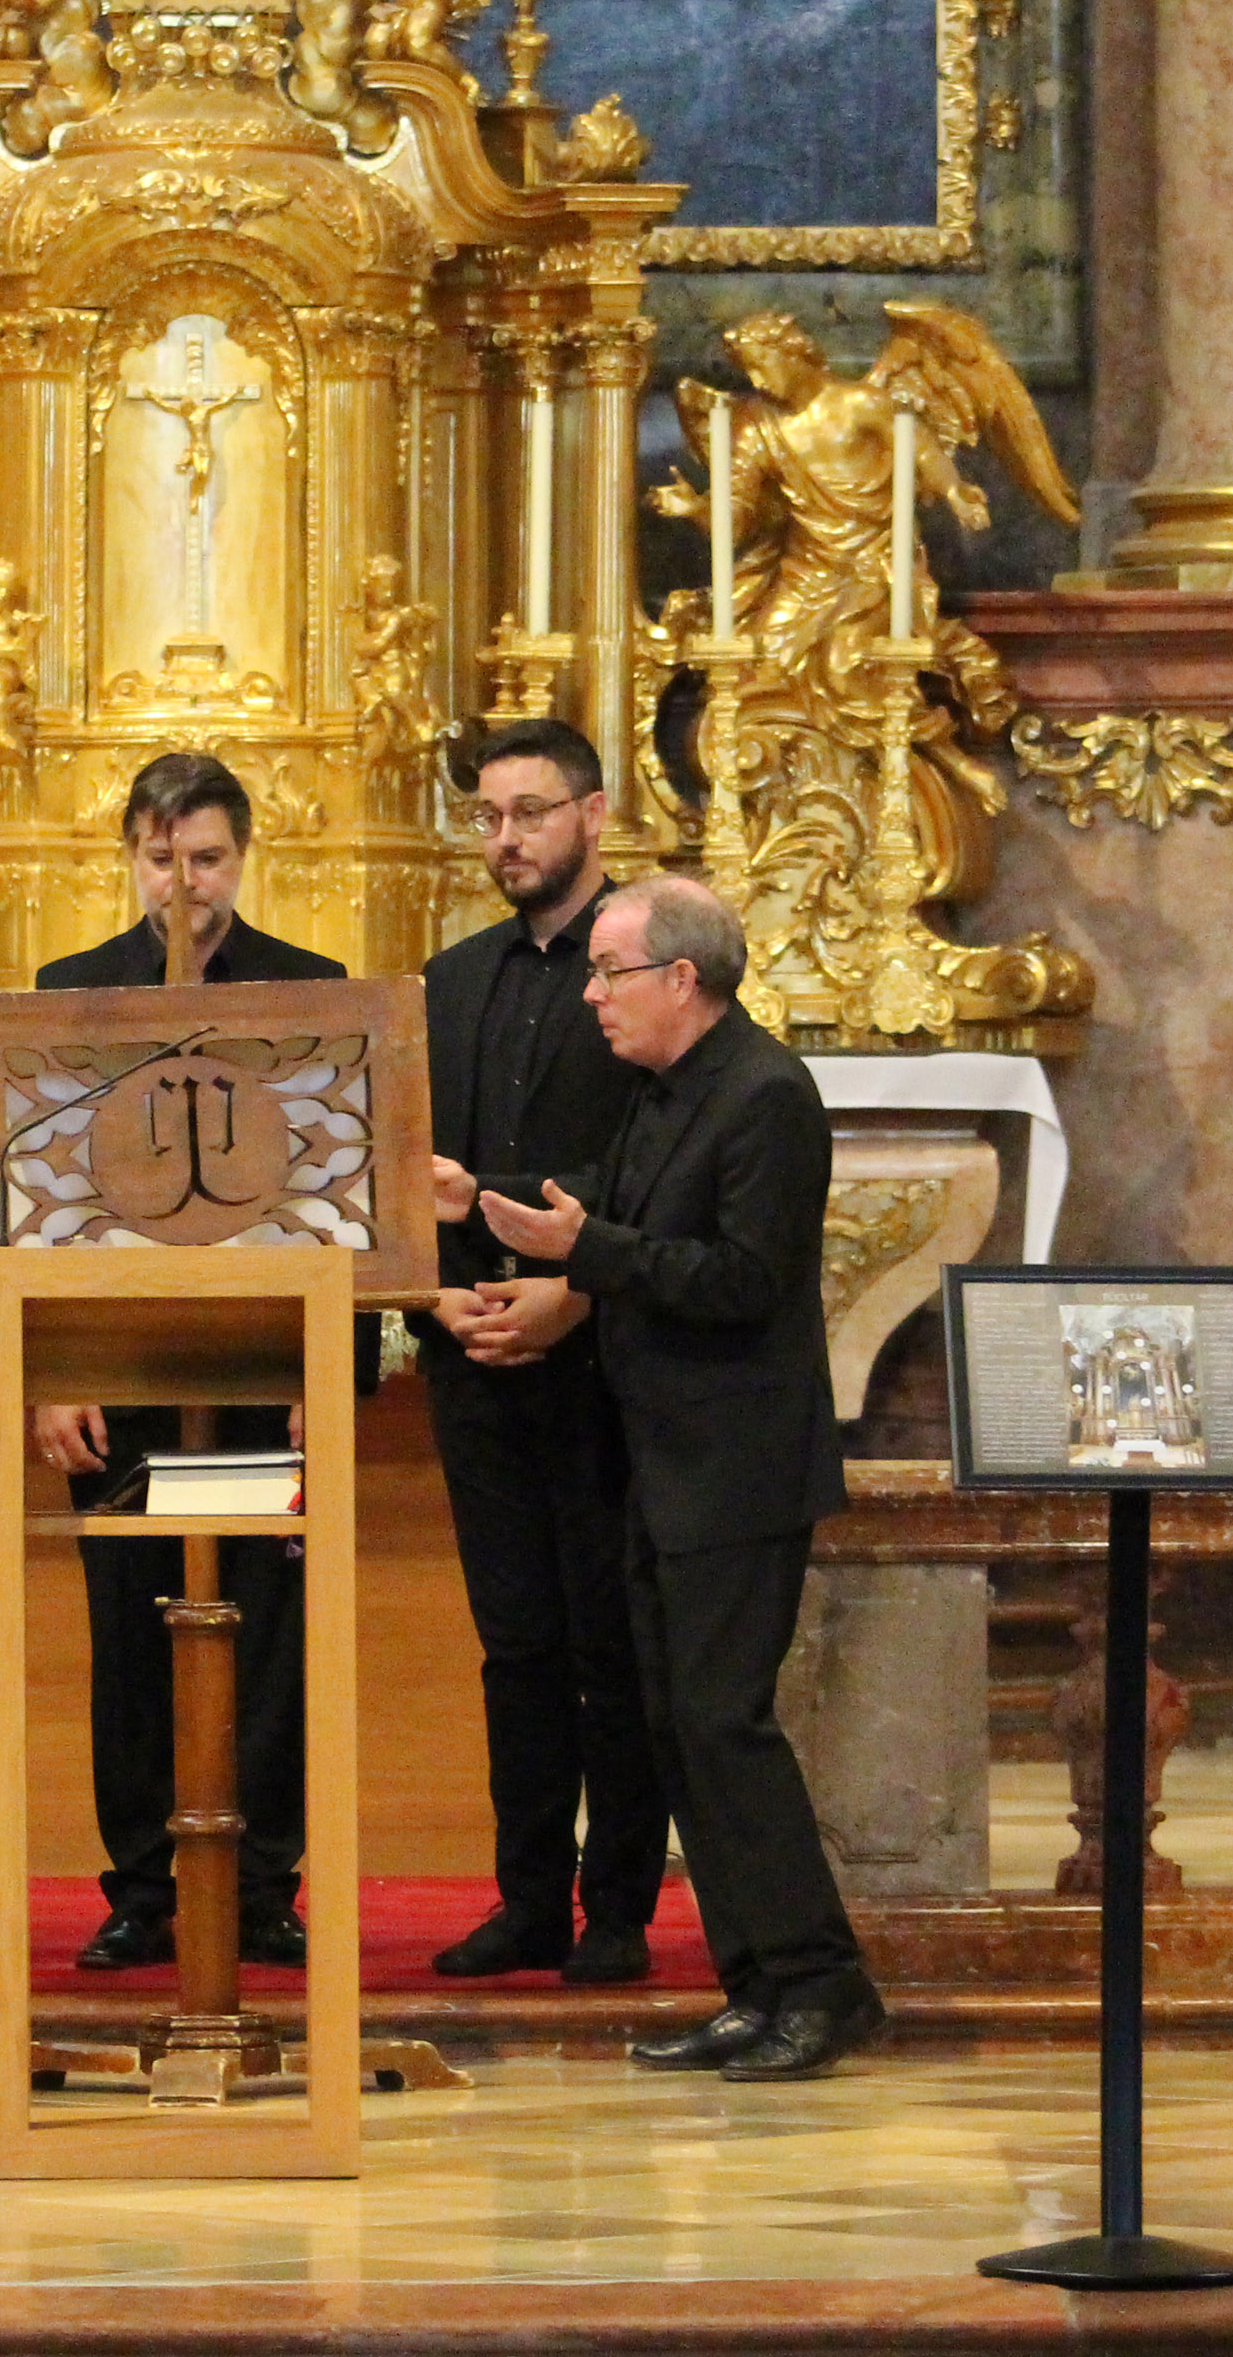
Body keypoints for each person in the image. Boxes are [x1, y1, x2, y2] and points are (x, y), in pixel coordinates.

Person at [436, 874, 886, 2079]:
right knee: (679, 1730)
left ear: (681, 978)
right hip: (662, 1461)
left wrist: (587, 1250)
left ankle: (822, 1984)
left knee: (724, 1725)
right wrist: (481, 1198)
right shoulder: (665, 1088)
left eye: (609, 972)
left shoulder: (765, 1094)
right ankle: (755, 1983)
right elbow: (608, 1204)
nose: (591, 994)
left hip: (737, 1468)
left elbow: (743, 1278)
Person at [32, 751, 345, 1973]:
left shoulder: (308, 992)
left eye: (206, 858)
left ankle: (260, 1882)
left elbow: (337, 1202)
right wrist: (55, 1371)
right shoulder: (70, 995)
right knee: (130, 1633)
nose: (184, 883)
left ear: (241, 859)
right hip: (121, 1379)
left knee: (265, 1632)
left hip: (259, 1373)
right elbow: (42, 1200)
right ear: (130, 858)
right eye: (162, 858)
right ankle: (143, 1887)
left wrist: (322, 1373)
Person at [413, 718, 668, 1984]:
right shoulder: (452, 979)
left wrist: (576, 1292)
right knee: (514, 1643)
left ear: (594, 815)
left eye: (529, 812)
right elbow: (402, 1166)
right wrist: (436, 1303)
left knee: (609, 1642)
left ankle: (616, 1907)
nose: (505, 838)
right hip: (473, 1354)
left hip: (601, 1358)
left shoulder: (647, 966)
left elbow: (661, 1162)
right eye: (488, 816)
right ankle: (525, 1899)